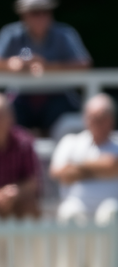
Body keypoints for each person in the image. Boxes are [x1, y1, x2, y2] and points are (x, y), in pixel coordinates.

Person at [0, 0, 91, 133]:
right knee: (3, 112)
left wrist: (47, 67)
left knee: (67, 117)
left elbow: (84, 64)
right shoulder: (11, 33)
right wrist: (12, 64)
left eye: (45, 11)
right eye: (35, 12)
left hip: (58, 96)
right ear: (23, 15)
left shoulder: (64, 33)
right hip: (21, 97)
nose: (41, 16)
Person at [50, 94, 118, 226]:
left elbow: (114, 166)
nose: (96, 122)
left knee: (112, 212)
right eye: (93, 118)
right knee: (69, 213)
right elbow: (60, 174)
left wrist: (78, 169)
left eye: (101, 118)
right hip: (77, 207)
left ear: (111, 120)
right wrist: (102, 168)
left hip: (111, 206)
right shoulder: (70, 142)